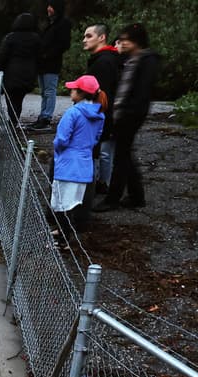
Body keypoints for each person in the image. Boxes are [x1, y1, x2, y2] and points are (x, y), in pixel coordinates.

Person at [94, 23, 161, 211]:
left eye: (125, 40)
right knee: (125, 153)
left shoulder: (147, 61)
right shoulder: (130, 58)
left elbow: (141, 91)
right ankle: (136, 195)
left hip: (131, 114)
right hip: (122, 111)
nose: (121, 43)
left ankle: (113, 198)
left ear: (135, 42)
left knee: (121, 156)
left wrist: (128, 112)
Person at [50, 75, 105, 244]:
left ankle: (63, 240)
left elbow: (62, 139)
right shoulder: (99, 115)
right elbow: (96, 138)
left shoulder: (73, 112)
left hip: (67, 164)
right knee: (73, 202)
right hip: (85, 164)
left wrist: (58, 150)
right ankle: (64, 234)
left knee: (61, 203)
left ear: (81, 94)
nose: (70, 91)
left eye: (73, 89)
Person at [82, 23, 120, 192]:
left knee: (101, 151)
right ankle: (101, 182)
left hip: (102, 115)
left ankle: (100, 184)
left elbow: (102, 94)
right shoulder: (102, 59)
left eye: (89, 36)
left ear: (102, 37)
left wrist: (92, 114)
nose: (84, 40)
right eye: (84, 36)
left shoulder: (104, 62)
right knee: (102, 151)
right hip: (103, 115)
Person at [28, 1, 72, 130]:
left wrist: (48, 55)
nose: (48, 9)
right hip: (43, 63)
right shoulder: (50, 24)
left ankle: (46, 117)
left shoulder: (63, 24)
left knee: (49, 91)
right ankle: (42, 115)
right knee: (44, 92)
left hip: (51, 63)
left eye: (51, 6)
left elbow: (64, 44)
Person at [0, 13, 41, 126]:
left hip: (12, 73)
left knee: (10, 98)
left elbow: (2, 56)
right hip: (28, 73)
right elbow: (39, 55)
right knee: (19, 98)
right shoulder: (35, 38)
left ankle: (12, 121)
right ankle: (14, 121)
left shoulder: (10, 37)